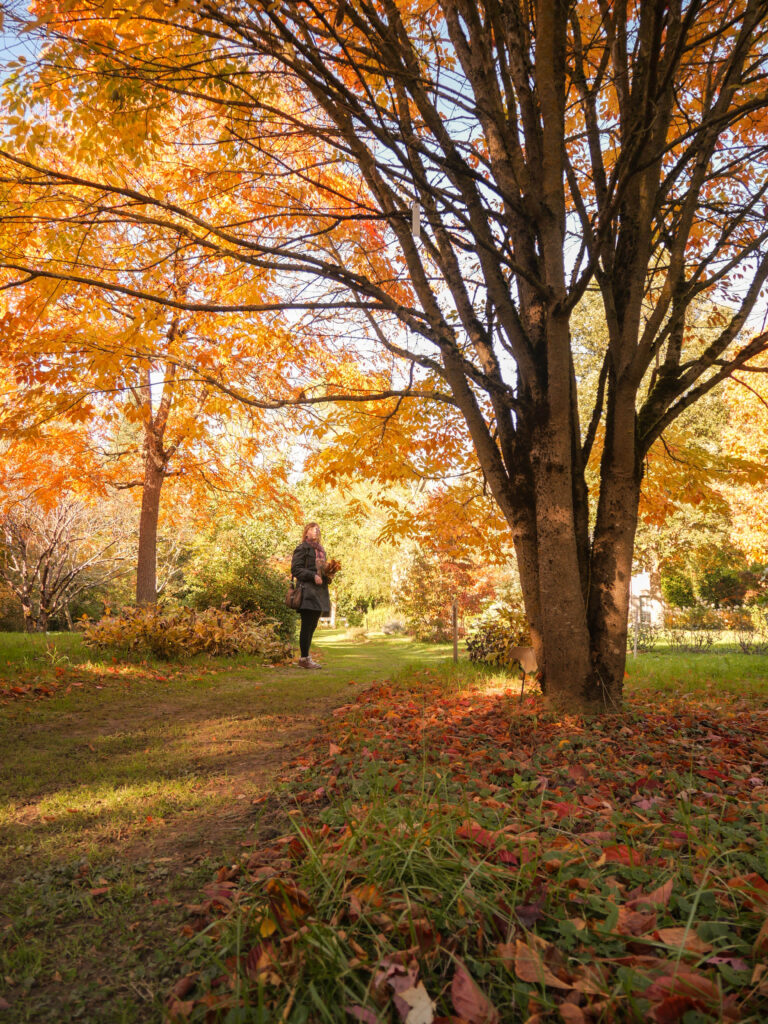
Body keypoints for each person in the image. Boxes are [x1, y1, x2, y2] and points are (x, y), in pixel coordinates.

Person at [290, 522, 331, 669]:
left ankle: (306, 657)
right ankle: (304, 658)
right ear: (306, 533)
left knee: (313, 625)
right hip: (307, 591)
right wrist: (313, 576)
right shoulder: (302, 548)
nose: (316, 531)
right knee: (307, 625)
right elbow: (295, 569)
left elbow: (321, 571)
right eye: (313, 529)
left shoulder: (321, 550)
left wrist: (329, 574)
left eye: (317, 529)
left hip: (319, 592)